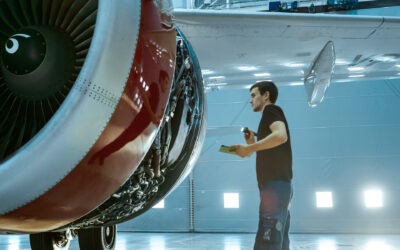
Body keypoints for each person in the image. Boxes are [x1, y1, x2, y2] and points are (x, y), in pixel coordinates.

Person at [230, 80, 293, 250]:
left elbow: (281, 136)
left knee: (269, 237)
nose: (250, 100)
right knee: (278, 237)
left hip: (275, 186)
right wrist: (252, 142)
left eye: (253, 95)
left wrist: (249, 147)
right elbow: (270, 147)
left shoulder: (271, 110)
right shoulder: (268, 117)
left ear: (266, 96)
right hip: (278, 187)